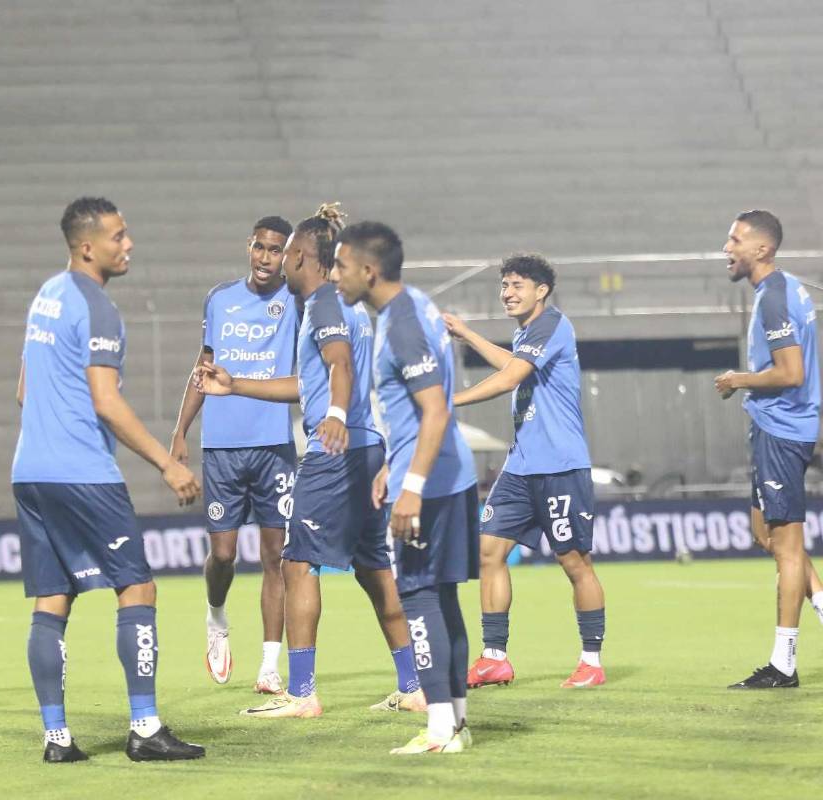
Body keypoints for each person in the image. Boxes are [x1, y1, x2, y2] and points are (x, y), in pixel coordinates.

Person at [197, 205, 424, 720]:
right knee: (374, 569)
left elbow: (337, 366)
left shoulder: (321, 303)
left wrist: (336, 415)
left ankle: (301, 693)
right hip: (369, 449)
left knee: (297, 563)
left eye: (286, 253)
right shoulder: (350, 307)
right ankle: (413, 685)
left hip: (334, 452)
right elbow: (309, 383)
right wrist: (238, 385)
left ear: (299, 255)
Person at [12, 197, 206, 763]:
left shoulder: (47, 295)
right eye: (119, 236)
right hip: (82, 473)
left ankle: (57, 738)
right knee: (137, 588)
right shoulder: (97, 308)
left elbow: (25, 389)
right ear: (87, 245)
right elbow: (105, 400)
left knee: (52, 600)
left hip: (30, 470)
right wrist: (167, 463)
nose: (129, 245)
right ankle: (145, 728)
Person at [332, 221, 478, 754]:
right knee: (443, 597)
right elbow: (418, 413)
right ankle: (458, 720)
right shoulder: (417, 303)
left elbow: (435, 410)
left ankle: (440, 731)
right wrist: (393, 466)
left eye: (341, 266)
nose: (335, 275)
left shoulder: (400, 326)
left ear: (368, 271)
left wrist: (411, 486)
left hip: (432, 486)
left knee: (416, 598)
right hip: (446, 474)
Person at [444, 254, 607, 689]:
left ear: (542, 291)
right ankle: (495, 656)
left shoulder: (552, 324)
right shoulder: (529, 334)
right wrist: (466, 334)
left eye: (517, 285)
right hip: (521, 468)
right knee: (489, 553)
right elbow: (511, 363)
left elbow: (509, 378)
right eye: (504, 286)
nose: (508, 293)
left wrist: (448, 402)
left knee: (575, 563)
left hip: (560, 465)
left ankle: (591, 661)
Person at [169, 214, 298, 692]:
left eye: (276, 251)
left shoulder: (295, 302)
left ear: (288, 255)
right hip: (222, 447)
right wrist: (180, 432)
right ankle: (216, 616)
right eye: (260, 248)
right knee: (223, 555)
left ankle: (269, 665)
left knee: (276, 556)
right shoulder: (220, 299)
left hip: (274, 447)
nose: (266, 258)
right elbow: (203, 369)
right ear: (250, 246)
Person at [716, 209, 821, 688]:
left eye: (735, 239)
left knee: (788, 549)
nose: (726, 248)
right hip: (771, 427)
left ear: (762, 249)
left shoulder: (776, 297)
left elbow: (791, 372)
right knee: (770, 537)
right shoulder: (779, 290)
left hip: (783, 429)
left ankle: (784, 664)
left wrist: (740, 379)